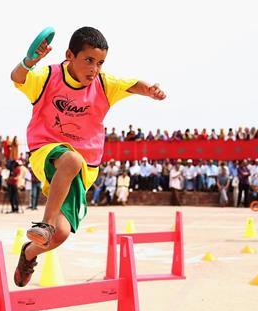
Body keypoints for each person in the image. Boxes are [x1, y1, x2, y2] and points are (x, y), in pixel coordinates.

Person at [10, 27, 166, 286]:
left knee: (60, 235)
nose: (94, 68)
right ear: (70, 55)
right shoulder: (48, 77)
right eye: (89, 61)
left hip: (85, 167)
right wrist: (29, 62)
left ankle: (29, 254)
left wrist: (150, 90)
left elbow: (132, 84)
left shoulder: (103, 83)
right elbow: (17, 77)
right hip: (47, 150)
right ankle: (45, 224)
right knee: (70, 160)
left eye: (100, 62)